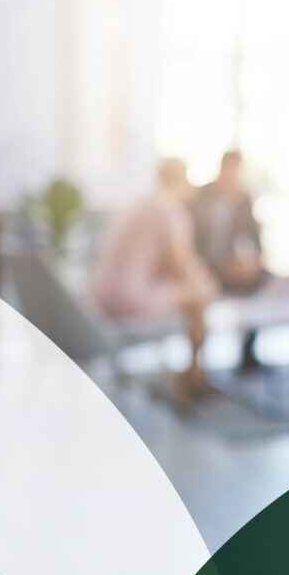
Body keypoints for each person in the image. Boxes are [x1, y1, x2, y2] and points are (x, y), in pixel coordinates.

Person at [90, 157, 218, 403]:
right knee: (200, 296)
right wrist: (207, 283)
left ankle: (190, 374)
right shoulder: (170, 210)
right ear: (184, 179)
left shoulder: (137, 205)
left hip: (100, 296)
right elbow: (180, 264)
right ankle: (195, 376)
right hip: (131, 298)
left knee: (190, 292)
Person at [192, 150, 268, 296]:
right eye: (229, 170)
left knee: (260, 276)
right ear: (221, 169)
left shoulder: (244, 200)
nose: (232, 177)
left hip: (233, 265)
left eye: (236, 172)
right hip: (205, 265)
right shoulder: (201, 196)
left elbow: (254, 239)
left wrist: (253, 261)